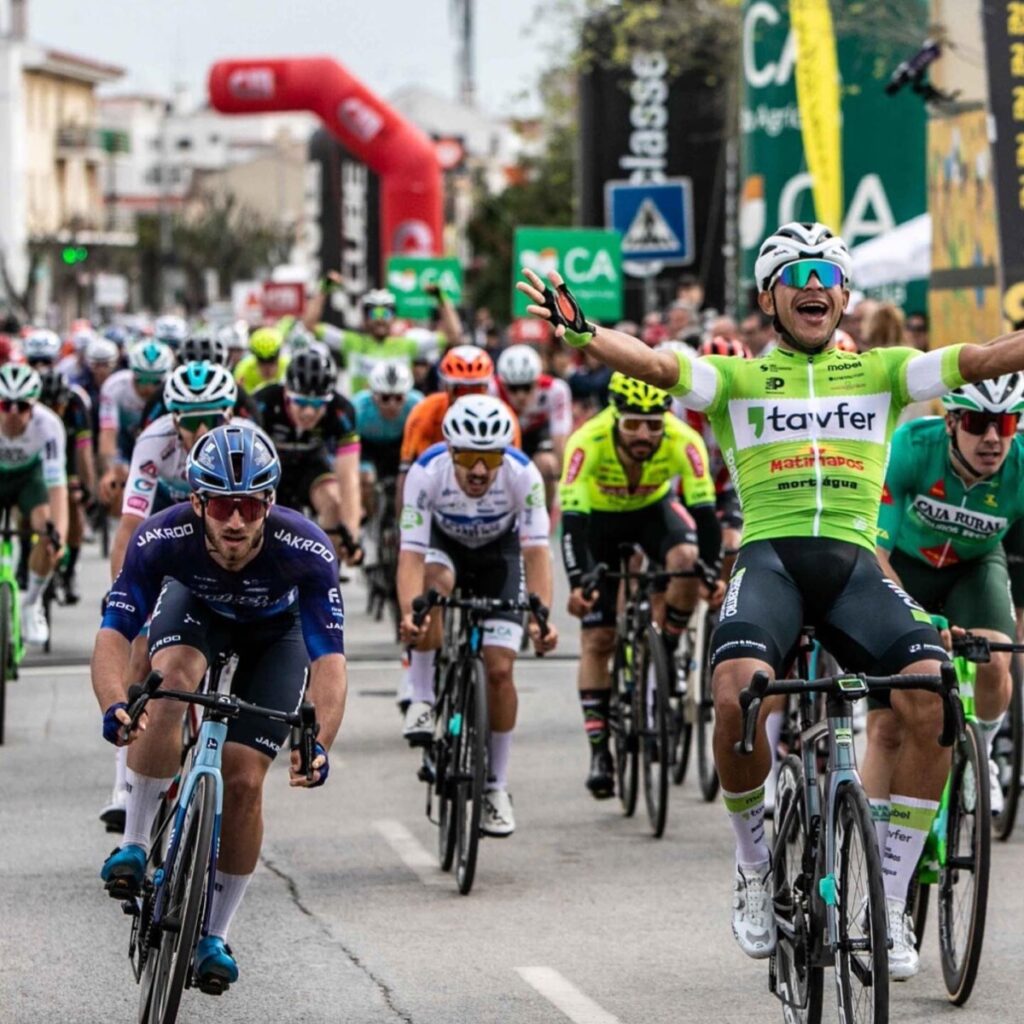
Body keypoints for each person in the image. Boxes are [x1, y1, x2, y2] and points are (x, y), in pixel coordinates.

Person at [517, 219, 1024, 974]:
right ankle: (754, 865)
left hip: (855, 568)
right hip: (772, 562)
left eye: (828, 274)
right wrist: (586, 332)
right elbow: (656, 364)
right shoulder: (738, 379)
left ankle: (885, 899)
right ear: (769, 295)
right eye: (798, 274)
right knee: (735, 694)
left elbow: (981, 358)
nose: (815, 286)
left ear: (847, 294)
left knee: (930, 698)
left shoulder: (882, 372)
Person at [94, 424, 347, 991]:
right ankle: (134, 842)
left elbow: (329, 661)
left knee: (244, 779)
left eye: (251, 505)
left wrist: (317, 743)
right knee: (171, 680)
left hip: (273, 636)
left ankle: (214, 932)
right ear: (197, 501)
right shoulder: (163, 537)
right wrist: (114, 703)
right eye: (224, 505)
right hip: (196, 613)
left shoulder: (305, 548)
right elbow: (114, 633)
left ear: (270, 502)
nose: (237, 521)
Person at [870, 376, 1024, 836]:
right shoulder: (913, 445)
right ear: (952, 421)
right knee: (888, 725)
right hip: (905, 567)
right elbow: (875, 551)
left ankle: (985, 752)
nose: (993, 438)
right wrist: (914, 616)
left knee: (997, 654)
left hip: (973, 568)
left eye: (1007, 423)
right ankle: (875, 851)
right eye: (978, 423)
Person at [398, 395, 557, 836]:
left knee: (500, 671)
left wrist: (541, 618)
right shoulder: (426, 473)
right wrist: (411, 616)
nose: (480, 470)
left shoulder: (523, 475)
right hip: (443, 549)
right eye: (468, 457)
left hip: (498, 558)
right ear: (450, 450)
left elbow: (536, 552)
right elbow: (409, 554)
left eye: (490, 457)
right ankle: (424, 697)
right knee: (430, 593)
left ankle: (495, 787)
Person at [559, 372, 722, 797]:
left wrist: (709, 570)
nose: (644, 434)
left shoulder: (683, 439)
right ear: (615, 417)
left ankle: (665, 645)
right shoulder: (586, 441)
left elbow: (704, 514)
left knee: (686, 562)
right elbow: (572, 524)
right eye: (633, 423)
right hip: (598, 524)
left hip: (653, 514)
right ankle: (600, 749)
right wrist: (579, 580)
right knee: (598, 638)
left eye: (653, 424)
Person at [255, 348, 362, 564]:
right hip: (268, 468)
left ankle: (324, 571)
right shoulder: (263, 403)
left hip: (311, 467)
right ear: (286, 393)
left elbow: (349, 478)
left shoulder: (342, 411)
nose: (309, 413)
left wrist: (352, 535)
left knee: (333, 500)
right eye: (301, 403)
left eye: (317, 405)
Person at [397, 345, 521, 504]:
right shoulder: (424, 411)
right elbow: (406, 471)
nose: (468, 397)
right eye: (460, 389)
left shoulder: (505, 416)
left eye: (476, 389)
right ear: (445, 387)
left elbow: (515, 473)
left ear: (488, 387)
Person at [0, 364, 67, 645]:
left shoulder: (49, 425)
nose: (13, 413)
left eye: (22, 405)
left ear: (34, 405)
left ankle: (31, 604)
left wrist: (58, 535)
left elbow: (56, 486)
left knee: (45, 527)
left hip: (30, 477)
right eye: (5, 404)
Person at [97, 340, 175, 513]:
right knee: (118, 482)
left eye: (156, 382)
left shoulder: (174, 387)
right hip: (126, 445)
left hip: (162, 447)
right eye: (142, 379)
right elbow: (108, 434)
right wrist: (110, 470)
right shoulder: (115, 386)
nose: (148, 387)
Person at [37, 369, 93, 604]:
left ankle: (69, 574)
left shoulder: (76, 405)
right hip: (38, 459)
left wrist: (87, 486)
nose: (53, 411)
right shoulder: (34, 415)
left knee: (73, 504)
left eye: (57, 405)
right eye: (46, 405)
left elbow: (83, 451)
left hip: (67, 458)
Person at [494, 344, 572, 509]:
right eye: (513, 388)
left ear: (537, 381)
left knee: (548, 465)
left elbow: (560, 438)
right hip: (504, 438)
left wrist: (563, 478)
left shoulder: (555, 389)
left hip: (536, 436)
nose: (520, 395)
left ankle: (545, 512)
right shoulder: (491, 390)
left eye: (527, 387)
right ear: (503, 383)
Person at [353, 359, 422, 517]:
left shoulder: (417, 405)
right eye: (385, 398)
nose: (392, 405)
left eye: (398, 398)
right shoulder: (358, 407)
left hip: (400, 445)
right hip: (367, 446)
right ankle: (368, 517)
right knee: (366, 480)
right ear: (374, 396)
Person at [232, 326, 288, 395]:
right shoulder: (243, 370)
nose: (267, 368)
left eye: (272, 361)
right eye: (261, 362)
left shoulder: (289, 367)